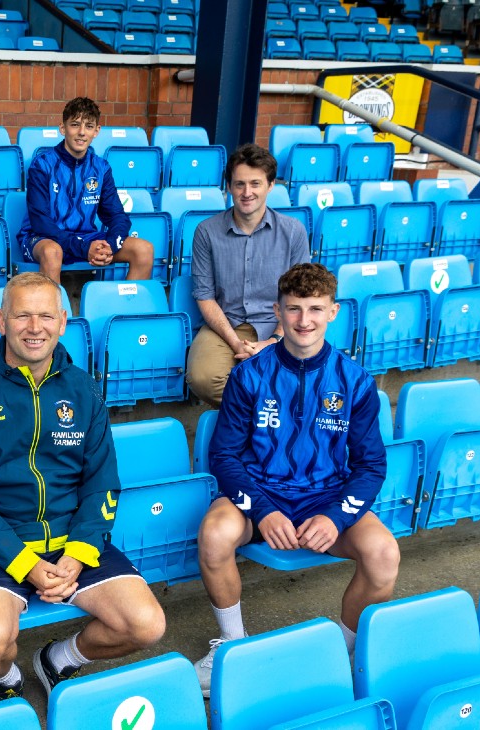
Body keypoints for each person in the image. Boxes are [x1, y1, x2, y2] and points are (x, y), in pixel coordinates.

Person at [0, 272, 167, 701]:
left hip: (70, 540)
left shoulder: (83, 390)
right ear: (2, 321)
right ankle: (6, 678)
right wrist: (24, 562)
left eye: (45, 315)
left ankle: (58, 659)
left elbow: (103, 484)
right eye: (22, 315)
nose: (34, 327)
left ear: (63, 321)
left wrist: (78, 555)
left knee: (147, 625)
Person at [193, 263, 398, 698]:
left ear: (333, 312)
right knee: (214, 534)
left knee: (383, 554)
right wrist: (262, 512)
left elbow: (371, 466)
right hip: (260, 490)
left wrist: (336, 518)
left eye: (315, 309)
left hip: (325, 495)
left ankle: (340, 653)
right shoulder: (249, 374)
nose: (304, 320)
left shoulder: (355, 380)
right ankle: (231, 647)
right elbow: (224, 455)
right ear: (278, 311)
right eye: (294, 309)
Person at [187, 142, 310, 408]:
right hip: (226, 324)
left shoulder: (293, 231)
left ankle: (258, 417)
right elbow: (205, 296)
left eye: (255, 183)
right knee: (203, 378)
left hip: (280, 325)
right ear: (228, 187)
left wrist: (274, 340)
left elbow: (301, 295)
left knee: (304, 378)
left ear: (270, 185)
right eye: (239, 184)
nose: (247, 192)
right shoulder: (206, 232)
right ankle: (271, 410)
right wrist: (235, 343)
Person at [19, 97, 155, 284]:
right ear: (62, 128)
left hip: (85, 238)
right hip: (43, 239)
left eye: (89, 126)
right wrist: (84, 248)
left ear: (96, 131)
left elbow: (117, 216)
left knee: (143, 249)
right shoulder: (41, 165)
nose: (82, 133)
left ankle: (125, 310)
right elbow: (40, 222)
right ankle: (52, 313)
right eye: (75, 125)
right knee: (52, 252)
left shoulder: (101, 167)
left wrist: (110, 247)